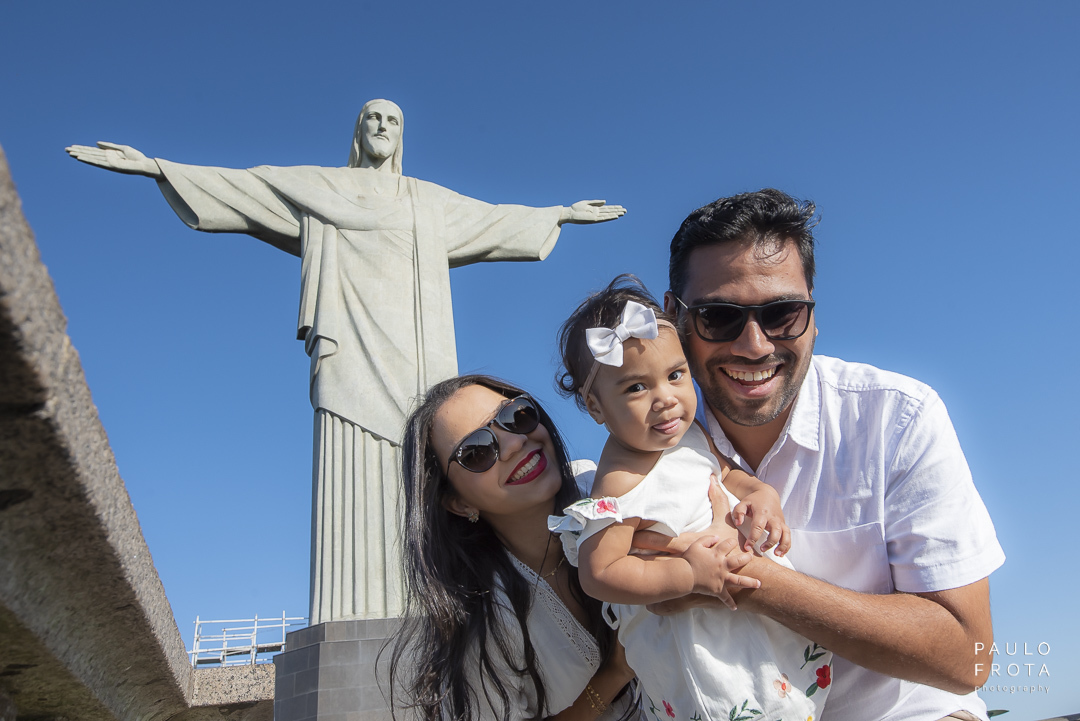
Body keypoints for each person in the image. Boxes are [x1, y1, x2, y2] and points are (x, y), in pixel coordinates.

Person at [65, 99, 625, 625]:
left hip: (420, 353)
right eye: (373, 118)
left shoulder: (424, 201)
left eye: (393, 120)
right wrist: (156, 167)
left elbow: (491, 219)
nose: (382, 127)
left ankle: (431, 596)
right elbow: (248, 187)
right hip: (350, 348)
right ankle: (349, 608)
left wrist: (559, 214)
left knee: (431, 454)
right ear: (359, 132)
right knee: (356, 461)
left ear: (402, 136)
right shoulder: (322, 188)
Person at [650, 188, 1004, 721]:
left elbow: (966, 655)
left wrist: (743, 579)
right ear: (675, 317)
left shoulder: (896, 418)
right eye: (719, 317)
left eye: (782, 313)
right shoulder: (647, 451)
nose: (754, 345)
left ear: (812, 314)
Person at [549, 276, 832, 721]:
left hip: (744, 615)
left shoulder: (691, 434)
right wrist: (688, 574)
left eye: (675, 375)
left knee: (779, 689)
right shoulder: (619, 480)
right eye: (635, 388)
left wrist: (761, 493)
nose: (665, 399)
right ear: (597, 408)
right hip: (690, 633)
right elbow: (600, 572)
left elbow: (727, 473)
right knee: (724, 697)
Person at [389, 374, 645, 721]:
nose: (514, 443)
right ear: (458, 503)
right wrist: (614, 673)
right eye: (477, 451)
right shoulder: (485, 621)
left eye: (516, 416)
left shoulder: (604, 492)